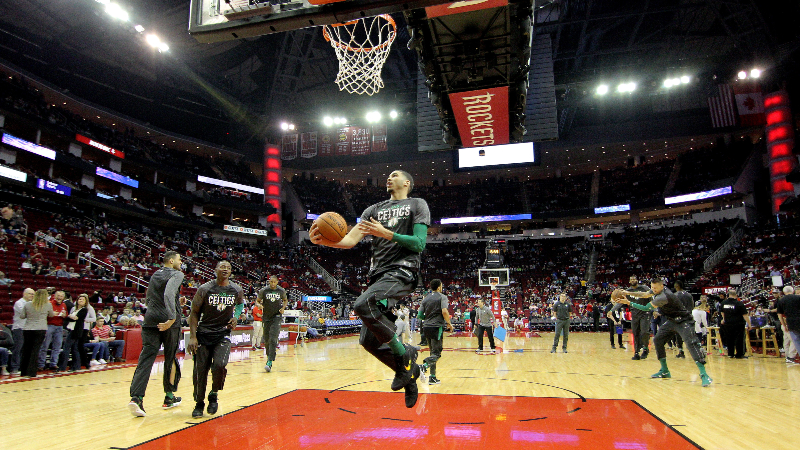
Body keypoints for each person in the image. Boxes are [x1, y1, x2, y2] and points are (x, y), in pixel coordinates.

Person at [310, 169, 429, 408]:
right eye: (388, 174)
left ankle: (403, 351)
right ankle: (410, 373)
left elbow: (419, 244)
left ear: (407, 182)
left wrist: (387, 234)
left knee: (362, 304)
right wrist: (325, 241)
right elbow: (350, 241)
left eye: (395, 175)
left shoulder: (417, 204)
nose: (389, 177)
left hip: (402, 271)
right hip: (378, 277)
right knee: (368, 341)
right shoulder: (373, 210)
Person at [615, 278, 712, 387]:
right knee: (658, 340)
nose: (653, 290)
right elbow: (645, 294)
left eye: (655, 288)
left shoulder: (663, 296)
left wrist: (628, 302)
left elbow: (646, 308)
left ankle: (704, 374)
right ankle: (665, 370)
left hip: (684, 321)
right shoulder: (656, 290)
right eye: (652, 287)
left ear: (662, 286)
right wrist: (628, 292)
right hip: (672, 320)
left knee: (691, 344)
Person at [127, 251, 185, 417]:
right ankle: (169, 397)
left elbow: (152, 298)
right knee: (170, 357)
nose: (181, 263)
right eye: (179, 260)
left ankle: (136, 398)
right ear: (172, 260)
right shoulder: (177, 273)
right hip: (168, 321)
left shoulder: (155, 274)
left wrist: (176, 300)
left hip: (151, 318)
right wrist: (172, 316)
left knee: (146, 358)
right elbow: (167, 293)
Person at [186, 261, 244, 418]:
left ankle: (213, 393)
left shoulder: (236, 289)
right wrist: (192, 336)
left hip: (223, 334)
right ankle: (199, 403)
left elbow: (240, 304)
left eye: (228, 268)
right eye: (222, 267)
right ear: (215, 269)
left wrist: (236, 317)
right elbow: (194, 312)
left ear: (231, 272)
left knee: (220, 365)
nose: (225, 269)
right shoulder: (205, 289)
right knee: (200, 371)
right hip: (203, 334)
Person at [417, 279, 453, 385]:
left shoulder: (426, 298)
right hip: (436, 327)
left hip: (426, 327)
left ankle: (432, 377)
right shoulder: (442, 297)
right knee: (437, 353)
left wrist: (427, 318)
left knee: (432, 353)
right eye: (441, 286)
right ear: (438, 287)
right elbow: (444, 311)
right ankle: (423, 366)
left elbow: (419, 315)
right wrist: (449, 323)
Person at [19, 289, 55, 377]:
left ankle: (23, 371)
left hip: (28, 328)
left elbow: (22, 316)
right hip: (40, 328)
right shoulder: (48, 305)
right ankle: (31, 372)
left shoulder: (28, 304)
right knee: (35, 350)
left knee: (26, 349)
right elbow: (51, 315)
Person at [257, 275, 287, 372]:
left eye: (274, 282)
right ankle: (269, 357)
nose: (273, 284)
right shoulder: (264, 291)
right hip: (266, 317)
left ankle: (269, 361)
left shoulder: (281, 291)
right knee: (266, 340)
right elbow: (257, 301)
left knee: (273, 338)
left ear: (277, 282)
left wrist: (283, 308)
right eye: (271, 282)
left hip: (277, 317)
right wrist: (259, 305)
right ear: (269, 282)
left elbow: (285, 300)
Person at [59, 294, 90, 372]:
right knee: (74, 349)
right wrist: (69, 316)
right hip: (72, 329)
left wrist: (68, 316)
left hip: (76, 331)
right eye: (79, 299)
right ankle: (76, 366)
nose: (80, 301)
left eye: (83, 300)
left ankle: (62, 367)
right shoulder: (75, 309)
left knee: (66, 348)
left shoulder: (84, 309)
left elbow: (75, 318)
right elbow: (71, 318)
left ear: (86, 302)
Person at [38, 291, 67, 370]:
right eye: (58, 295)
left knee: (57, 346)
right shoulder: (49, 304)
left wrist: (65, 315)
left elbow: (65, 315)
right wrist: (50, 314)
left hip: (60, 327)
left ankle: (53, 363)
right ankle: (41, 364)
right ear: (54, 296)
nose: (59, 297)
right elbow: (43, 314)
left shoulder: (64, 305)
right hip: (49, 325)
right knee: (45, 346)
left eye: (61, 296)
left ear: (63, 298)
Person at [625, 276, 652, 360]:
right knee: (635, 333)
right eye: (631, 279)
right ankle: (636, 352)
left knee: (644, 332)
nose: (633, 280)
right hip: (634, 314)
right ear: (629, 281)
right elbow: (622, 301)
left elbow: (651, 299)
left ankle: (645, 349)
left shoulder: (644, 288)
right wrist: (612, 310)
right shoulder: (628, 291)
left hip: (645, 313)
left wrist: (654, 310)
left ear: (637, 280)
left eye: (634, 279)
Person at [720, 288, 751, 359]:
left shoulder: (723, 303)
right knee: (739, 339)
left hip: (727, 323)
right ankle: (739, 354)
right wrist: (749, 324)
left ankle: (730, 354)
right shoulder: (739, 303)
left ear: (728, 295)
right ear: (736, 295)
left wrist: (724, 319)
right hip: (738, 324)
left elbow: (722, 311)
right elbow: (745, 315)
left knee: (729, 338)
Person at [10, 288, 34, 374]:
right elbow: (26, 314)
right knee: (18, 348)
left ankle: (23, 366)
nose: (32, 296)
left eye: (33, 294)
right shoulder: (19, 303)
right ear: (24, 294)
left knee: (26, 349)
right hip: (19, 328)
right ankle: (14, 368)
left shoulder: (31, 304)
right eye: (30, 294)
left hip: (28, 329)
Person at [776, 285, 800, 364]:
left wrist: (783, 325)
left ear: (784, 292)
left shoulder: (781, 300)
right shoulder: (798, 297)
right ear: (793, 291)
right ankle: (790, 357)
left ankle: (788, 357)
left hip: (790, 323)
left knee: (795, 341)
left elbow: (779, 314)